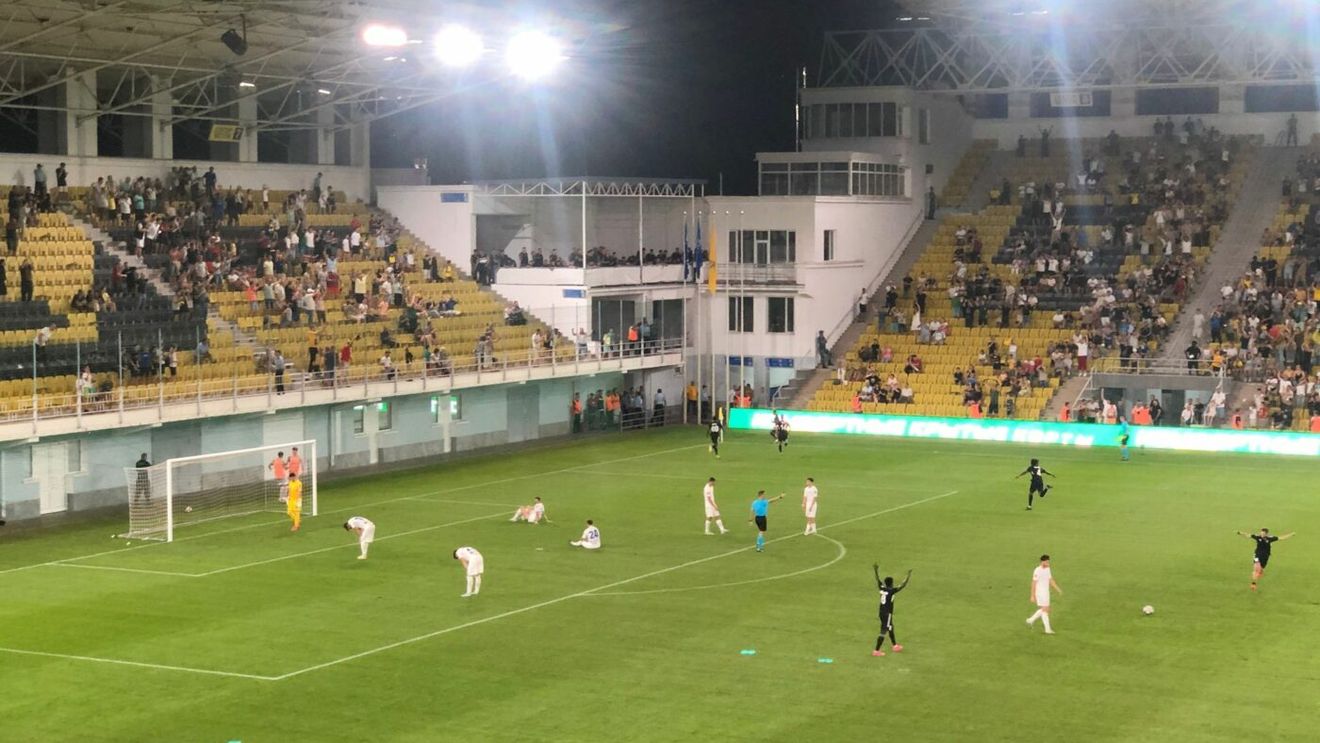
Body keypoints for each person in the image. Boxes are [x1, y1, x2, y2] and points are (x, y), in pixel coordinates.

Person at [872, 566, 912, 656]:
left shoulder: (882, 588)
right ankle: (876, 650)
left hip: (881, 612)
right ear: (891, 583)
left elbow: (878, 580)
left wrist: (876, 571)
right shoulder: (891, 591)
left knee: (890, 627)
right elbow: (903, 585)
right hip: (887, 613)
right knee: (883, 631)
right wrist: (908, 575)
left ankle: (895, 645)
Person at [1026, 554, 1061, 634]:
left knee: (1046, 610)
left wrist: (1057, 588)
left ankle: (1031, 620)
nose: (1048, 563)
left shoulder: (1048, 569)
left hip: (1046, 592)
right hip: (1040, 592)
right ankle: (1047, 629)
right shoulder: (1037, 570)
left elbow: (1050, 580)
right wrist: (1032, 595)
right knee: (1046, 609)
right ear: (1042, 562)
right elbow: (1033, 583)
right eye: (1047, 562)